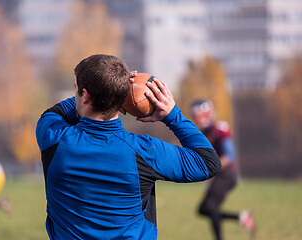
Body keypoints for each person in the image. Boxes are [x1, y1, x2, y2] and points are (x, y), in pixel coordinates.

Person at [36, 54, 221, 240]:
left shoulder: (52, 137)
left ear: (84, 95)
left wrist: (108, 90)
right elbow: (208, 162)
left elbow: (55, 112)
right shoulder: (144, 151)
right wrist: (172, 115)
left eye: (76, 89)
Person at [190, 99, 256, 240]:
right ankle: (242, 217)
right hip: (218, 174)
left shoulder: (220, 128)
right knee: (204, 209)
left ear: (206, 113)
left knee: (210, 207)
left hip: (226, 174)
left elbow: (229, 156)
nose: (195, 118)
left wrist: (210, 172)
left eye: (197, 114)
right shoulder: (204, 133)